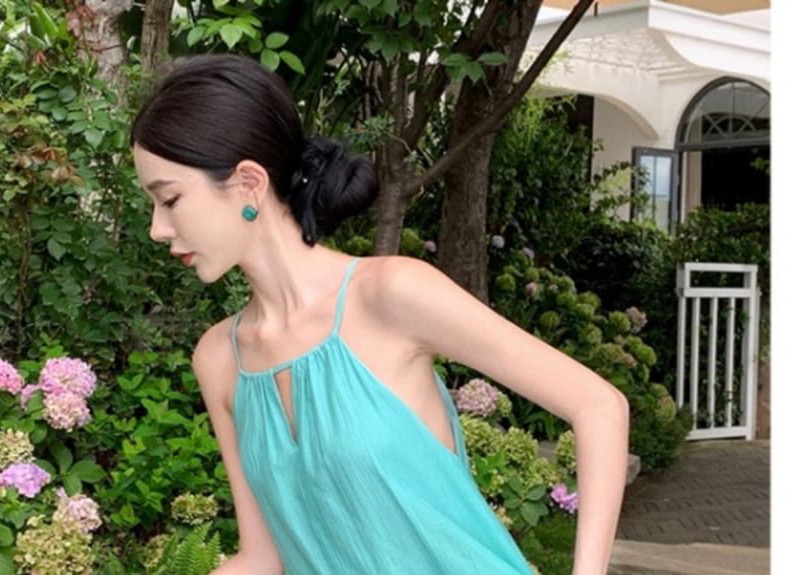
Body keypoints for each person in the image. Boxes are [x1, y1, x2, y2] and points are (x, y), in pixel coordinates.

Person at [131, 54, 629, 575]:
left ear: (249, 183)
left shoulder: (390, 294)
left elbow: (599, 406)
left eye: (170, 199)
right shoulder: (219, 359)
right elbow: (263, 557)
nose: (157, 229)